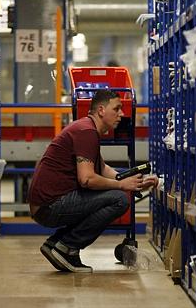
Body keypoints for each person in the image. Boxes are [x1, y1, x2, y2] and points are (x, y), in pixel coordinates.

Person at [28, 89, 159, 273]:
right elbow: (87, 179)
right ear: (101, 110)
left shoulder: (86, 128)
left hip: (49, 203)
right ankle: (66, 247)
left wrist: (134, 181)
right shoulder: (86, 132)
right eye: (117, 109)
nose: (122, 114)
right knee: (119, 199)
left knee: (117, 194)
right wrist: (122, 185)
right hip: (49, 206)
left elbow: (103, 169)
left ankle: (57, 244)